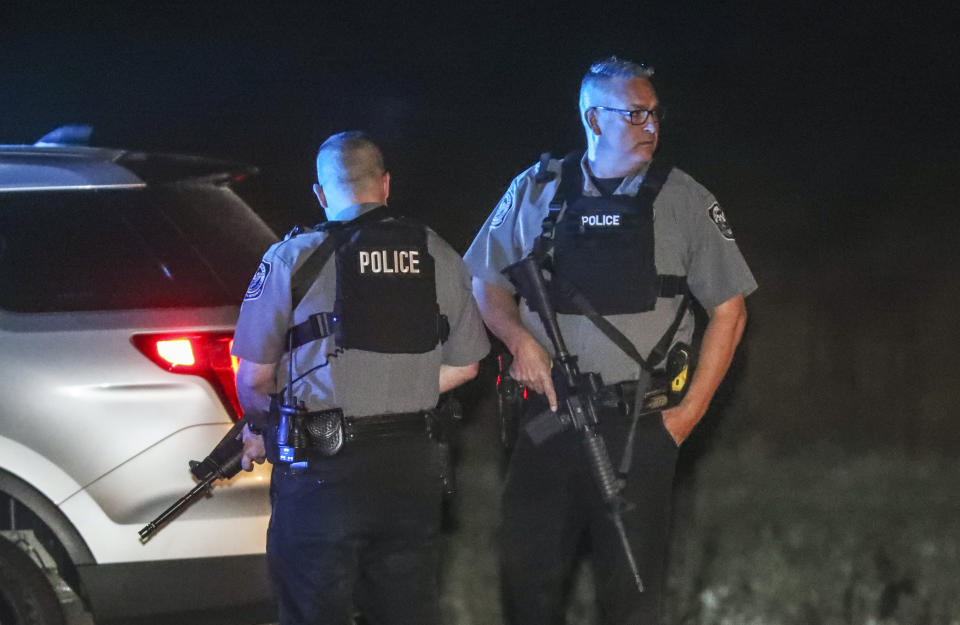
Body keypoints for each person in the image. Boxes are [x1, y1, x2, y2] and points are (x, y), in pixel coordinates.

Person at [463, 57, 757, 624]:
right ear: (595, 120)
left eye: (655, 114)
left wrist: (685, 419)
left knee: (633, 595)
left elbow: (731, 311)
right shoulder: (536, 188)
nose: (652, 126)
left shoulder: (685, 199)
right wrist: (520, 341)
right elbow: (486, 284)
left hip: (640, 427)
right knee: (527, 586)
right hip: (546, 421)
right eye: (636, 114)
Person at [232, 131, 490, 625]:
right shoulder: (436, 252)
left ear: (322, 194)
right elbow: (468, 366)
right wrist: (399, 391)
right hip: (412, 476)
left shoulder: (291, 258)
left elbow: (255, 380)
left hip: (322, 477)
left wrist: (265, 427)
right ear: (386, 184)